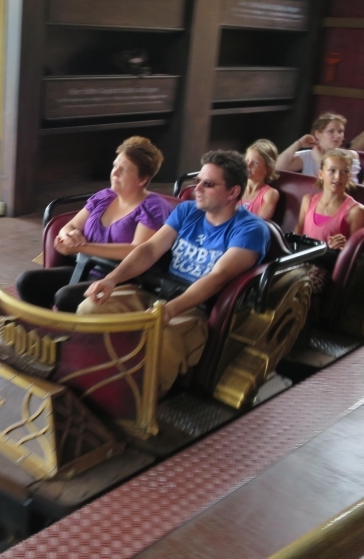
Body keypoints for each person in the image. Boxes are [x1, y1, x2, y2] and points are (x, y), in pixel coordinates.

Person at [79, 150, 269, 394]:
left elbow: (217, 277)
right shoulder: (187, 210)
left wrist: (169, 310)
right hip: (157, 294)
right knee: (91, 307)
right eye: (197, 181)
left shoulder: (250, 229)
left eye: (208, 184)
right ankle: (87, 376)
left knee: (161, 339)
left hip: (196, 309)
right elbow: (149, 250)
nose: (197, 188)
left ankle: (138, 403)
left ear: (233, 192)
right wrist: (111, 280)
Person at [16, 136, 170, 312]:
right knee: (27, 281)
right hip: (86, 269)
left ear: (143, 179)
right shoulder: (104, 197)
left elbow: (138, 250)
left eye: (124, 170)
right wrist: (69, 236)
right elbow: (70, 225)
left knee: (65, 297)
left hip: (124, 281)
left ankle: (67, 336)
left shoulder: (153, 206)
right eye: (115, 166)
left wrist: (83, 247)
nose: (115, 173)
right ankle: (44, 332)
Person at [295, 150, 364, 293]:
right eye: (332, 171)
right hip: (300, 258)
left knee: (301, 288)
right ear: (321, 174)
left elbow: (355, 253)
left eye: (344, 172)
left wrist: (343, 246)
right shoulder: (308, 200)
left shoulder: (356, 211)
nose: (338, 177)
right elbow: (298, 230)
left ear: (349, 176)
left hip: (324, 264)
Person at [276, 112, 361, 183]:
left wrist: (320, 160)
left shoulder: (350, 155)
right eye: (331, 131)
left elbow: (349, 187)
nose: (338, 136)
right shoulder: (308, 155)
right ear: (318, 134)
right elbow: (278, 167)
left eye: (340, 131)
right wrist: (299, 143)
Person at [240, 139, 280, 220]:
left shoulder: (270, 193)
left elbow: (259, 223)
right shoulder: (236, 188)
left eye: (255, 163)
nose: (248, 165)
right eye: (247, 160)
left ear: (267, 169)